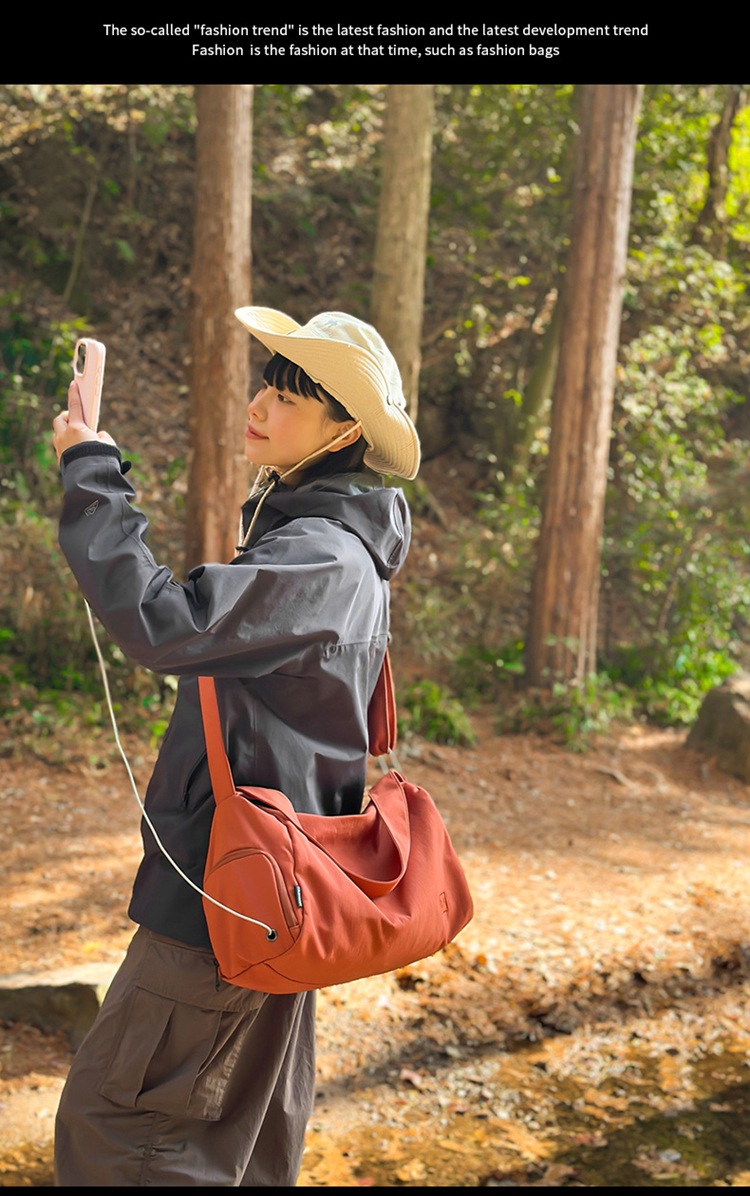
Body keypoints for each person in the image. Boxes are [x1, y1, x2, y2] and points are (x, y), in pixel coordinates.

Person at [50, 306, 420, 1187]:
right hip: (273, 907)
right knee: (237, 1154)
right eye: (266, 383)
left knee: (117, 1138)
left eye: (287, 396)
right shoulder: (336, 550)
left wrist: (90, 470)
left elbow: (163, 622)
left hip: (224, 909)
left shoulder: (319, 557)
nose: (258, 403)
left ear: (345, 432)